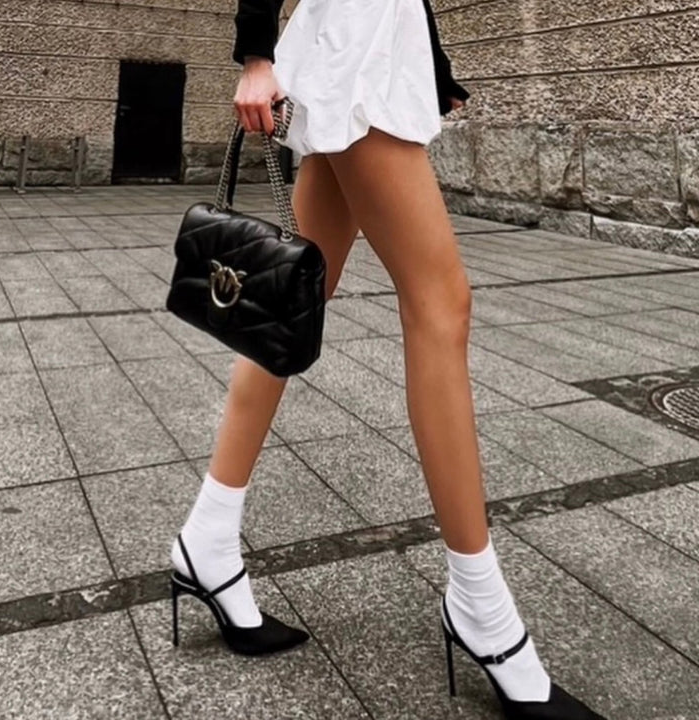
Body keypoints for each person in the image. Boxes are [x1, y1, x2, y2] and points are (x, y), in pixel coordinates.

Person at [169, 2, 606, 718]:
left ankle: (207, 539)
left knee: (290, 302)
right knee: (441, 306)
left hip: (369, 42)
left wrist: (434, 66)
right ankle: (480, 606)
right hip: (354, 47)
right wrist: (255, 53)